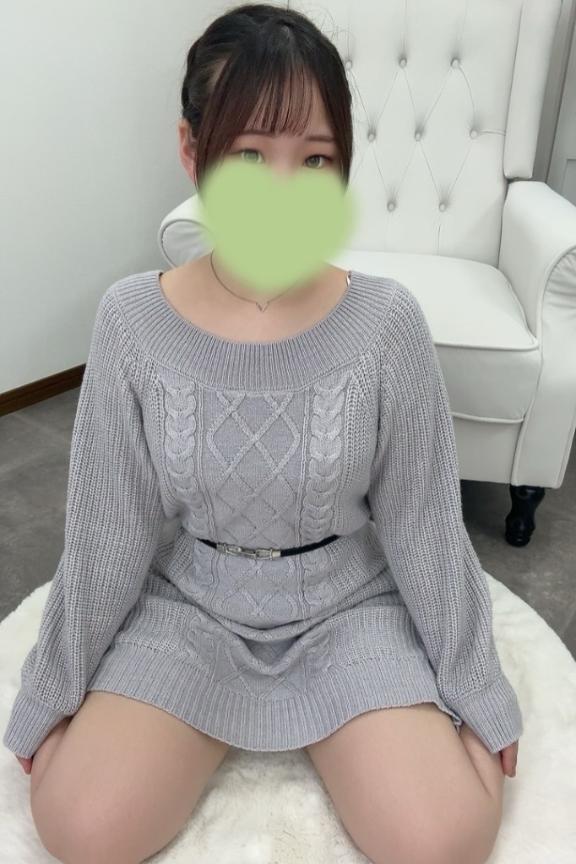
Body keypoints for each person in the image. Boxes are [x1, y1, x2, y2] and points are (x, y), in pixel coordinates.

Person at [4, 4, 522, 863]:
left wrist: (479, 687)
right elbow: (107, 532)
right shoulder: (132, 321)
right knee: (78, 827)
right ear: (191, 150)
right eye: (249, 155)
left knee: (446, 840)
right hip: (193, 604)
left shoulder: (387, 325)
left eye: (315, 159)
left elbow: (424, 524)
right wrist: (52, 688)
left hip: (348, 606)